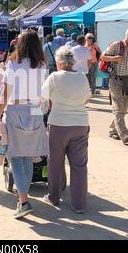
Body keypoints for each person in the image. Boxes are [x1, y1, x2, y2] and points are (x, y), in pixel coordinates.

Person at [0, 31, 49, 219]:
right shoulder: (42, 65)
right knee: (26, 155)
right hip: (34, 109)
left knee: (16, 156)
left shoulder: (14, 64)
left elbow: (5, 93)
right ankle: (23, 198)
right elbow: (43, 93)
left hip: (16, 109)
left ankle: (23, 200)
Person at [41, 48, 91, 213]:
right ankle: (79, 204)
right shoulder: (83, 77)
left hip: (59, 123)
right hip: (80, 123)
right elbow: (86, 99)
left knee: (55, 162)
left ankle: (54, 197)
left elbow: (42, 98)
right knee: (79, 166)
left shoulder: (54, 76)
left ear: (59, 62)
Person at [100, 26, 128, 145]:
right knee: (118, 107)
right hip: (115, 79)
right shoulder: (116, 45)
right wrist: (114, 58)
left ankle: (113, 130)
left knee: (123, 109)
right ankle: (124, 134)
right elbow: (102, 57)